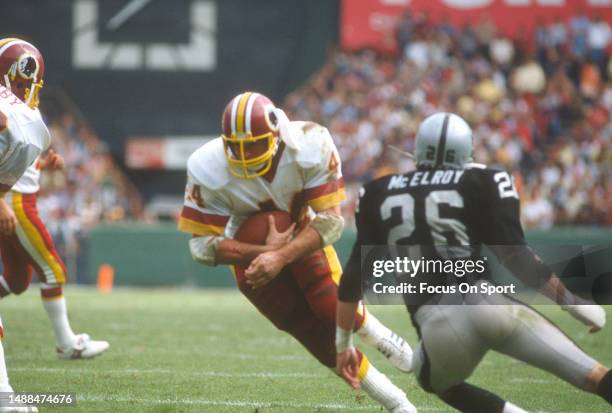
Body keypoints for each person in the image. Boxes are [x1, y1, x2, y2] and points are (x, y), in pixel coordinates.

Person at [336, 112, 612, 412]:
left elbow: (352, 280)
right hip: (491, 305)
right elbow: (516, 258)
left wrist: (343, 345)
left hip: (438, 323)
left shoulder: (377, 192)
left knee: (431, 380)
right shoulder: (485, 180)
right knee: (594, 375)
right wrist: (571, 302)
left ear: (418, 149)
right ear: (466, 150)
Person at [178, 91, 417, 413]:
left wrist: (280, 255)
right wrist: (263, 251)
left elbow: (332, 222)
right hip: (249, 257)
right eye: (237, 146)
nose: (246, 154)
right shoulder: (206, 165)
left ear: (277, 136)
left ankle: (376, 333)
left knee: (329, 306)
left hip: (302, 233)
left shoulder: (310, 143)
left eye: (255, 143)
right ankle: (396, 403)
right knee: (308, 332)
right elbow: (200, 247)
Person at [0, 38, 108, 363]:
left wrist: (41, 166)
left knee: (19, 281)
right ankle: (66, 343)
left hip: (18, 197)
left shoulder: (21, 117)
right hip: (14, 202)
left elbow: (8, 158)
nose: (30, 89)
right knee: (54, 271)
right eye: (23, 82)